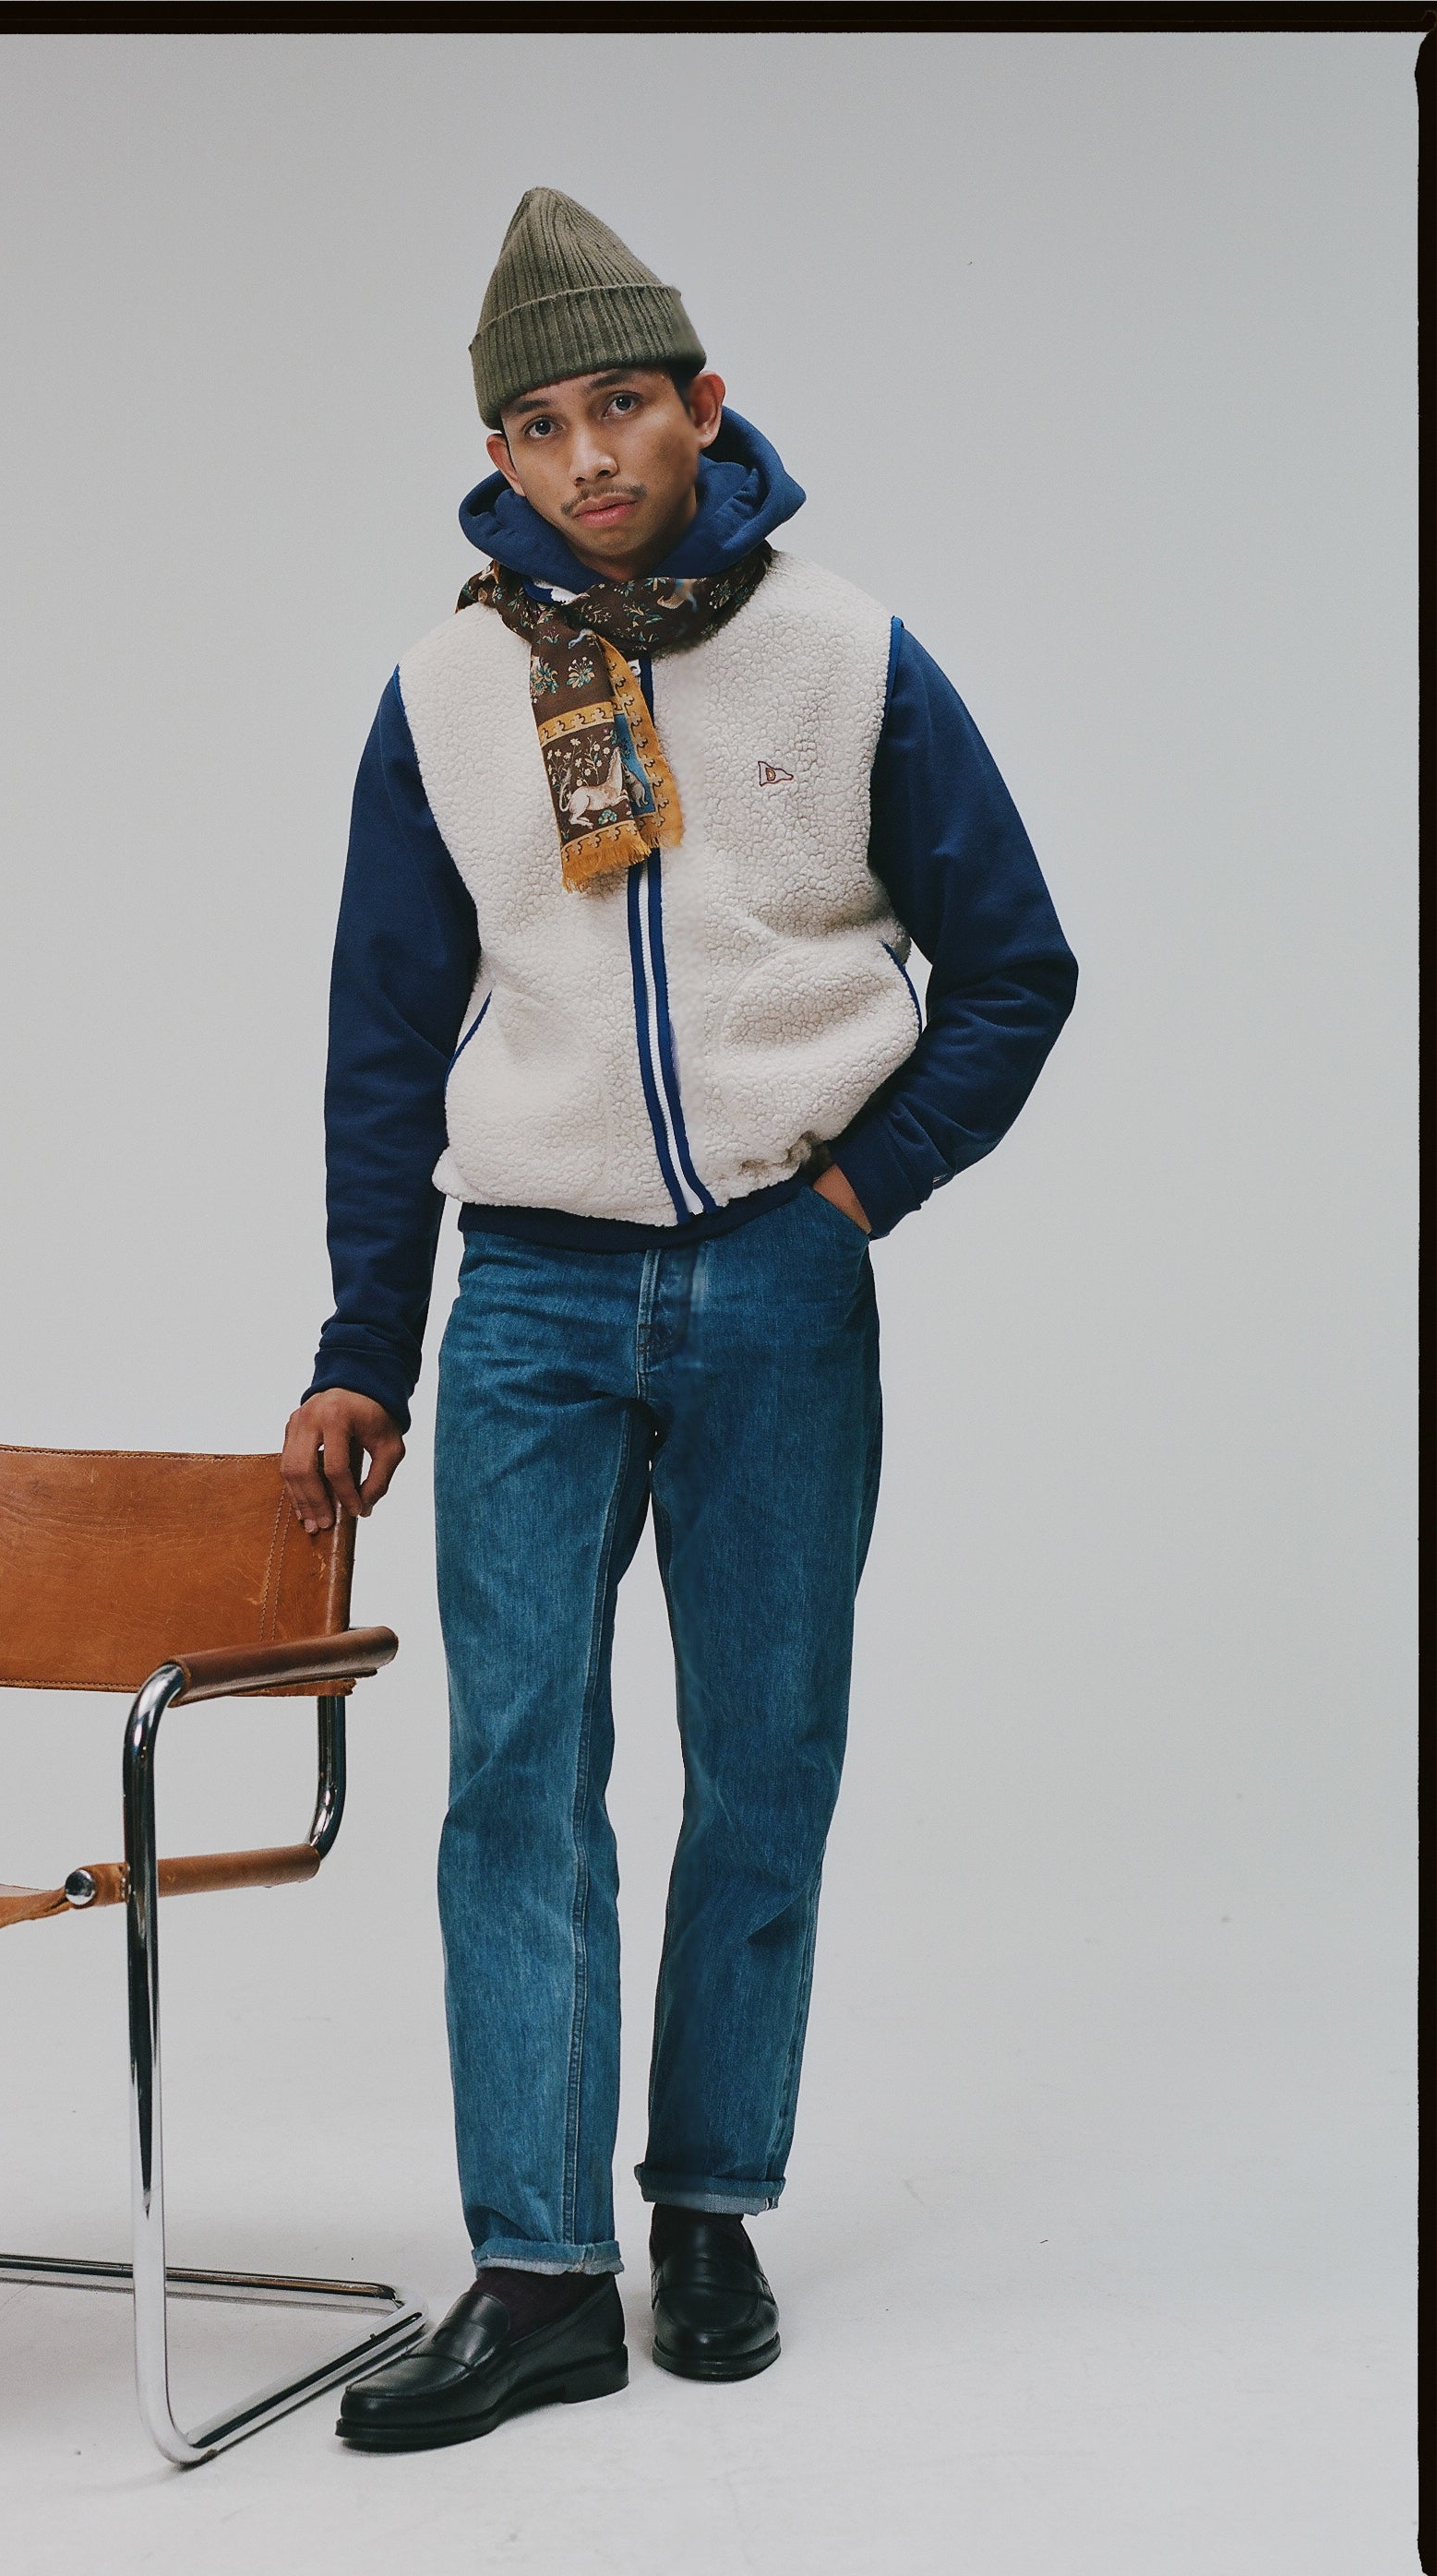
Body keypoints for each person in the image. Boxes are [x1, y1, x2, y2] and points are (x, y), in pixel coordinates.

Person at [281, 187, 1077, 2453]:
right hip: (530, 1292)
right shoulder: (446, 693)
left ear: (701, 404)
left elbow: (1017, 967)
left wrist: (847, 1202)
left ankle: (710, 2203)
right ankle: (541, 2269)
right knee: (517, 1772)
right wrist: (364, 1342)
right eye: (539, 424)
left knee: (766, 1756)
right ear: (500, 454)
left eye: (621, 403)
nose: (588, 454)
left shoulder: (847, 654)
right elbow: (383, 1040)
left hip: (771, 1283)